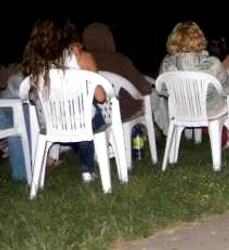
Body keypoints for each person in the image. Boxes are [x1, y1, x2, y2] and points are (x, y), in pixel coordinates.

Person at [19, 18, 107, 183]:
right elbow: (101, 97)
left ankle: (40, 171)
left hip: (50, 124)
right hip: (82, 123)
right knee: (92, 111)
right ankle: (87, 170)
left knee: (83, 112)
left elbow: (30, 98)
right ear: (68, 35)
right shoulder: (81, 56)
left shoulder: (36, 64)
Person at [158, 22, 229, 139]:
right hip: (209, 110)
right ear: (200, 39)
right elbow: (227, 89)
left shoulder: (166, 63)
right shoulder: (212, 63)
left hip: (180, 112)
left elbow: (162, 90)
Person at [82, 23, 152, 122]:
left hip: (96, 112)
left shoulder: (84, 62)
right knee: (152, 97)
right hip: (122, 110)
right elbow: (145, 88)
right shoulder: (119, 59)